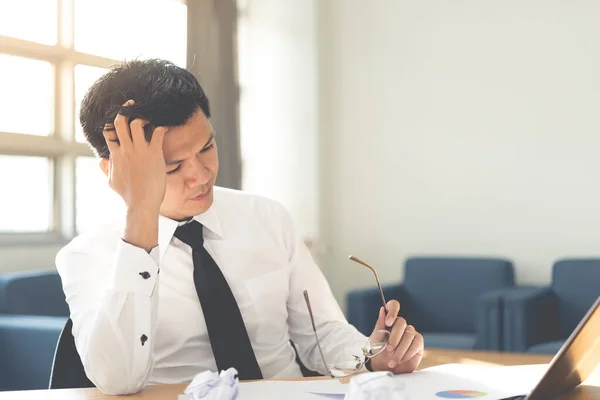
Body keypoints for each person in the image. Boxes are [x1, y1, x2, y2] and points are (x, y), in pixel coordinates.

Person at [56, 59, 424, 395]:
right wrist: (141, 215)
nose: (200, 175)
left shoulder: (267, 217)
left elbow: (321, 333)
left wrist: (372, 356)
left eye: (207, 147)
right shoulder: (87, 256)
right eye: (172, 167)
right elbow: (117, 381)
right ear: (114, 170)